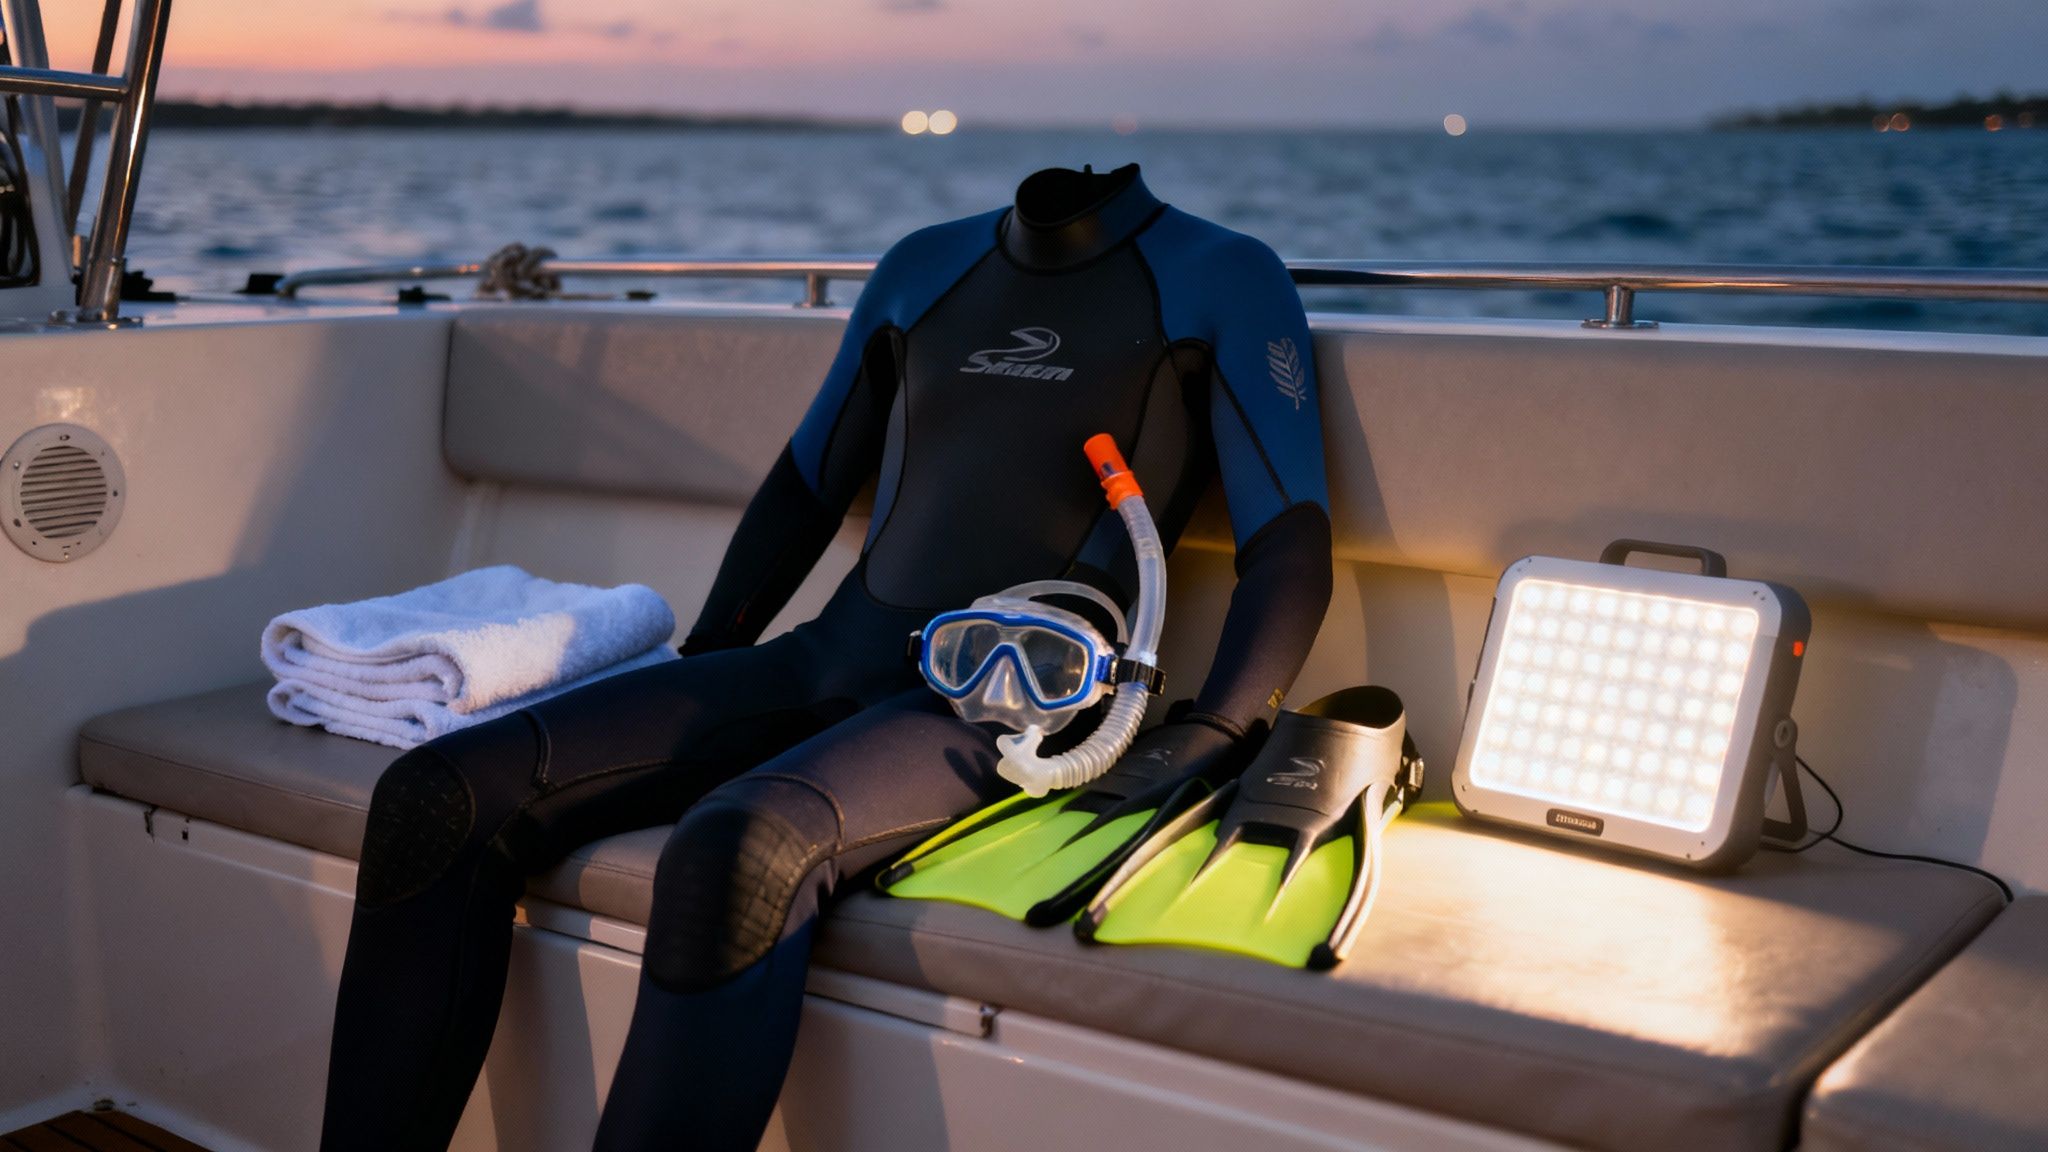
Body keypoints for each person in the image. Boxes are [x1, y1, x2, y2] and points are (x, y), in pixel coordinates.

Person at [318, 163, 1333, 1152]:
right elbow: (805, 486)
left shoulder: (1222, 275)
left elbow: (1287, 549)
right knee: (435, 796)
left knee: (735, 850)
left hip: (1011, 696)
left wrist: (1207, 736)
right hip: (829, 654)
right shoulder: (922, 266)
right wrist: (703, 663)